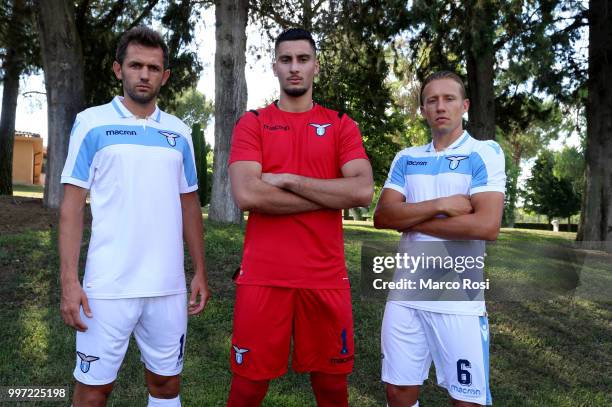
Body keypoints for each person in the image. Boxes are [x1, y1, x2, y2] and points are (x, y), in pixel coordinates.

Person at [58, 26, 210, 407]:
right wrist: (68, 282)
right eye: (136, 65)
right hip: (106, 289)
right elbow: (72, 205)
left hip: (168, 288)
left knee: (165, 386)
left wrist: (200, 271)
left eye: (153, 68)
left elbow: (189, 204)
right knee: (93, 392)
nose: (144, 74)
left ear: (165, 76)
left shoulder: (179, 132)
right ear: (118, 70)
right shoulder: (91, 123)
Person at [226, 28, 374, 407]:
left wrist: (290, 180)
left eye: (303, 59)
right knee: (246, 389)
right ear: (274, 66)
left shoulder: (341, 124)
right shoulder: (253, 123)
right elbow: (248, 194)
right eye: (286, 59)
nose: (295, 68)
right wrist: (329, 195)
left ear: (316, 67)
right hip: (262, 277)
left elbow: (361, 191)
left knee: (332, 389)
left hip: (325, 278)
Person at [373, 71, 505, 407]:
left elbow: (487, 226)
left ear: (465, 105)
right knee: (398, 392)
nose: (440, 106)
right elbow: (383, 217)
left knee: (467, 400)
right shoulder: (407, 158)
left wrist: (414, 220)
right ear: (423, 109)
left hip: (458, 299)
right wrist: (443, 206)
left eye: (448, 99)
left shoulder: (484, 153)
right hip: (405, 296)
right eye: (432, 100)